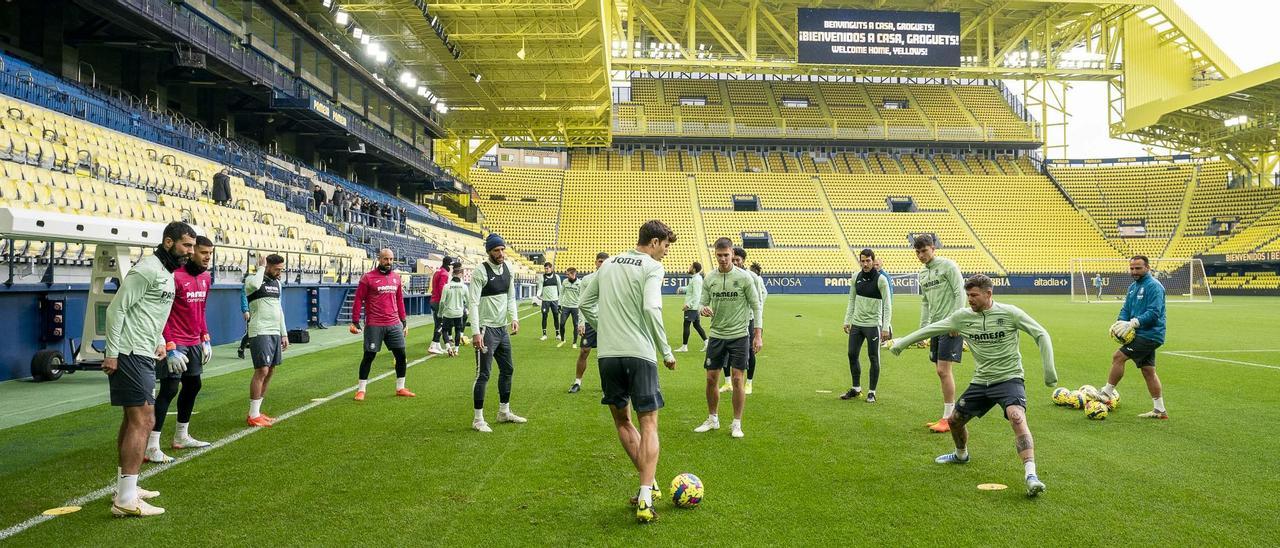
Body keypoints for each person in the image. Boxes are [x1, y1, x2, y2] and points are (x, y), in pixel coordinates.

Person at [890, 274, 1057, 498]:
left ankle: (1031, 476)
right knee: (954, 421)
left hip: (1009, 378)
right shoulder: (962, 317)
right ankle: (961, 455)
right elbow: (932, 329)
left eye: (974, 295)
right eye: (968, 295)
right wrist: (901, 343)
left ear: (989, 294)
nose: (970, 299)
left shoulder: (1010, 313)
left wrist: (1049, 371)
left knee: (1017, 416)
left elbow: (1041, 334)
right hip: (981, 381)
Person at [579, 220, 678, 523]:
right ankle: (645, 499)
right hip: (640, 354)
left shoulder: (607, 264)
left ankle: (650, 484)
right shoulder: (651, 266)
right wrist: (666, 350)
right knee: (648, 423)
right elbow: (651, 308)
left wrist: (604, 329)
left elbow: (584, 303)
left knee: (623, 421)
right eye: (665, 246)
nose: (665, 253)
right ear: (654, 242)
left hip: (608, 356)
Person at [104, 221, 196, 517]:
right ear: (168, 243)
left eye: (192, 246)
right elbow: (116, 309)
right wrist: (111, 353)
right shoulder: (146, 269)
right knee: (144, 419)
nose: (190, 252)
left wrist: (160, 341)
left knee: (133, 419)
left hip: (144, 351)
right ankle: (126, 499)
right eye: (186, 245)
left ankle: (126, 487)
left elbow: (148, 312)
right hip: (129, 352)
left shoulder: (167, 274)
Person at [145, 235, 215, 465]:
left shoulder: (206, 277)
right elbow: (163, 311)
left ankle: (181, 436)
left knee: (194, 384)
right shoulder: (173, 276)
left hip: (194, 340)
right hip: (175, 342)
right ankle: (151, 445)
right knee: (169, 388)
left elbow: (202, 309)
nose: (207, 258)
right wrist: (169, 344)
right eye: (203, 253)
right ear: (192, 251)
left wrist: (205, 337)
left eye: (210, 254)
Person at [693, 238, 762, 439]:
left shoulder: (744, 278)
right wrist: (703, 309)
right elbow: (702, 303)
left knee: (738, 379)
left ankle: (736, 423)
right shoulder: (710, 279)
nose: (723, 259)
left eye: (726, 255)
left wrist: (758, 335)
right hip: (716, 335)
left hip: (740, 335)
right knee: (711, 379)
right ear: (715, 255)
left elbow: (756, 306)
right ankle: (712, 419)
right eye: (719, 255)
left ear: (732, 254)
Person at [1098, 256, 1168, 419]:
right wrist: (1120, 323)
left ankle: (1106, 393)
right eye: (1132, 268)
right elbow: (1126, 308)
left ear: (1147, 268)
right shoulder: (1132, 287)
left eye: (1138, 268)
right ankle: (1160, 410)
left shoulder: (1154, 286)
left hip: (1151, 334)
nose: (1134, 271)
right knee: (1148, 371)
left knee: (1118, 357)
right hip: (1141, 333)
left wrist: (1133, 323)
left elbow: (1154, 312)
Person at [469, 233, 526, 432]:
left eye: (502, 249)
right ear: (489, 252)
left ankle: (504, 412)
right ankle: (478, 419)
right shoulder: (480, 272)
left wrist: (514, 318)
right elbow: (473, 303)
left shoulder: (508, 269)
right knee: (483, 374)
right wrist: (476, 332)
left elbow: (511, 298)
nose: (501, 253)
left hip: (502, 330)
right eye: (496, 250)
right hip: (486, 330)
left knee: (508, 369)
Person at [914, 234, 966, 433]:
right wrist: (923, 329)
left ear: (933, 248)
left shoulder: (948, 266)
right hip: (935, 327)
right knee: (940, 370)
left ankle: (949, 419)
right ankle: (948, 415)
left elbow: (959, 293)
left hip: (949, 325)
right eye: (917, 252)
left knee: (943, 371)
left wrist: (956, 321)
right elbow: (925, 302)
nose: (921, 255)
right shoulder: (922, 273)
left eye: (924, 250)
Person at [350, 249, 414, 401]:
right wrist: (355, 321)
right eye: (386, 259)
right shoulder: (368, 278)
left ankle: (400, 387)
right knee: (369, 356)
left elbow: (399, 300)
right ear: (379, 259)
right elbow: (358, 299)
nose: (389, 262)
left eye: (391, 259)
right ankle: (361, 390)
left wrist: (403, 321)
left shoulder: (396, 278)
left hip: (394, 324)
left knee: (401, 355)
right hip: (374, 324)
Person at [842, 249, 893, 403]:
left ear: (873, 261)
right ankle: (856, 389)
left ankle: (872, 392)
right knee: (852, 354)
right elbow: (851, 300)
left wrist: (885, 327)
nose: (865, 264)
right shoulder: (855, 277)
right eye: (862, 261)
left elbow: (887, 306)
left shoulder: (881, 280)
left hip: (873, 325)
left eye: (868, 261)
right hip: (857, 324)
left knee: (873, 357)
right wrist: (847, 320)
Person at [245, 253, 288, 428]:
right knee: (261, 370)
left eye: (281, 269)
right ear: (268, 266)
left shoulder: (278, 284)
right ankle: (252, 414)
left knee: (270, 371)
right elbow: (254, 284)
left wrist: (284, 333)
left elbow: (279, 309)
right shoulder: (252, 280)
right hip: (259, 330)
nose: (279, 273)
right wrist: (261, 267)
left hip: (274, 332)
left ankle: (257, 412)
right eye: (277, 269)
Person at [718, 248, 765, 394]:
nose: (735, 262)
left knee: (749, 352)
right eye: (733, 259)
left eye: (738, 260)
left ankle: (749, 383)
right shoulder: (724, 275)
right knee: (724, 352)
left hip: (748, 319)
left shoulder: (752, 277)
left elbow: (759, 300)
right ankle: (727, 383)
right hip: (728, 319)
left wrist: (758, 329)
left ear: (743, 260)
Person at [570, 253, 609, 393]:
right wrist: (581, 322)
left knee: (607, 355)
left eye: (605, 262)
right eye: (600, 261)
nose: (602, 264)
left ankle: (607, 385)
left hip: (607, 321)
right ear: (595, 262)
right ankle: (577, 382)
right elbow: (582, 301)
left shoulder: (613, 279)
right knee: (584, 351)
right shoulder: (587, 280)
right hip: (590, 321)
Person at [674, 262, 707, 353]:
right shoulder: (695, 278)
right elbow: (690, 288)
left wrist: (688, 305)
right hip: (695, 306)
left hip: (692, 307)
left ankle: (684, 346)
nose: (689, 268)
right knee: (697, 325)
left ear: (694, 269)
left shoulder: (696, 279)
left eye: (691, 266)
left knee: (686, 325)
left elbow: (696, 295)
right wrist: (681, 288)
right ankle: (707, 343)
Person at [439, 264, 469, 356]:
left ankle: (448, 348)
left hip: (448, 312)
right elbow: (468, 301)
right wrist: (467, 309)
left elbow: (442, 302)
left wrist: (440, 313)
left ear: (452, 275)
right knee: (458, 331)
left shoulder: (447, 286)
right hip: (459, 313)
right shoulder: (464, 287)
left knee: (444, 330)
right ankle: (456, 350)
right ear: (460, 275)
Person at [429, 257, 453, 355]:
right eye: (451, 265)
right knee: (441, 324)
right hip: (439, 301)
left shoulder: (438, 271)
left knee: (437, 323)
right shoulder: (444, 274)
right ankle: (433, 344)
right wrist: (446, 301)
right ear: (449, 265)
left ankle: (437, 344)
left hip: (433, 299)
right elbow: (442, 289)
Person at [557, 268, 583, 348]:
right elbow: (561, 293)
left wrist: (580, 306)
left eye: (568, 274)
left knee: (575, 325)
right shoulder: (565, 282)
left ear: (573, 274)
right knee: (561, 323)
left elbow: (582, 295)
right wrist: (559, 304)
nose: (566, 275)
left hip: (575, 307)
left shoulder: (580, 283)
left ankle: (574, 343)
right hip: (566, 306)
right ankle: (562, 340)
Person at [538, 262, 563, 342]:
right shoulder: (542, 277)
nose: (546, 270)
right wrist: (538, 295)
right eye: (545, 268)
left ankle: (557, 334)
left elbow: (560, 289)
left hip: (554, 300)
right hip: (545, 301)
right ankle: (544, 334)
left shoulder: (557, 277)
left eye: (547, 268)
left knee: (556, 317)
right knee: (544, 317)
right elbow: (540, 288)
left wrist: (560, 301)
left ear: (551, 268)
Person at [237, 274, 251, 360]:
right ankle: (241, 348)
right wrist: (246, 310)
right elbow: (244, 296)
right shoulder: (248, 283)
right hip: (251, 311)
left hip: (260, 311)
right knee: (250, 332)